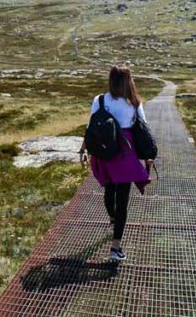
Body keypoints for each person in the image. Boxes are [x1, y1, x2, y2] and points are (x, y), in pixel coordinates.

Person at [79, 65, 154, 261]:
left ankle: (112, 218)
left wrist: (83, 149)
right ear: (128, 81)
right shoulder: (134, 102)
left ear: (111, 80)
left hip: (104, 152)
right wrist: (148, 155)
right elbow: (143, 128)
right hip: (125, 153)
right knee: (123, 200)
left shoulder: (99, 100)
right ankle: (115, 247)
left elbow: (91, 127)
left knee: (108, 190)